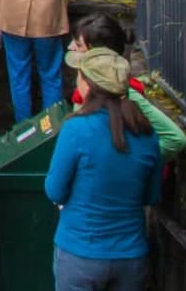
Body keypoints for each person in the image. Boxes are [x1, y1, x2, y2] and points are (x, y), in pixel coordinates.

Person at [45, 47, 162, 291]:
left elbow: (54, 191)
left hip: (80, 253)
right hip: (131, 257)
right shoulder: (147, 135)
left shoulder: (76, 130)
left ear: (87, 85)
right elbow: (152, 196)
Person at [69, 12, 186, 160]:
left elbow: (175, 140)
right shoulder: (87, 83)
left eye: (78, 45)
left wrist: (136, 164)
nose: (71, 48)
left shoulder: (126, 93)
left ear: (97, 53)